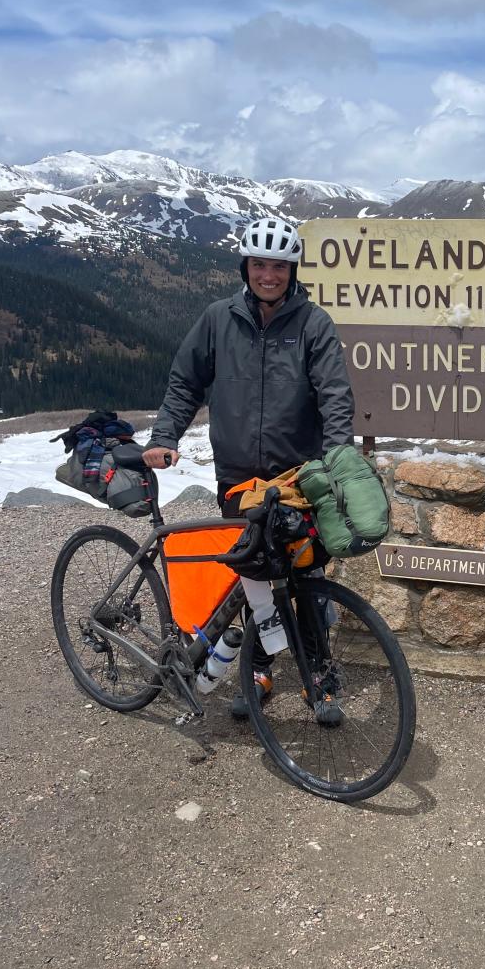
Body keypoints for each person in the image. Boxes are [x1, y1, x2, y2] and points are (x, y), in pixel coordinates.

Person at [143, 216, 355, 717]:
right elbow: (185, 383)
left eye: (278, 266)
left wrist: (340, 458)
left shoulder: (313, 324)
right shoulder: (219, 319)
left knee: (305, 573)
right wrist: (165, 436)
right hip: (239, 478)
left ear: (292, 270)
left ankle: (318, 673)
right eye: (260, 264)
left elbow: (335, 396)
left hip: (297, 479)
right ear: (246, 267)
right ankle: (257, 670)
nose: (269, 275)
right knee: (255, 574)